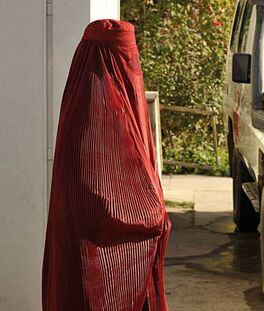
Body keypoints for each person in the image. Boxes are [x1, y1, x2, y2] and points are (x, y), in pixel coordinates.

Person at [42, 19, 171, 311]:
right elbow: (95, 196)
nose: (132, 68)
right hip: (90, 248)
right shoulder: (89, 108)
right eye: (125, 59)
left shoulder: (102, 102)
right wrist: (153, 216)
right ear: (109, 61)